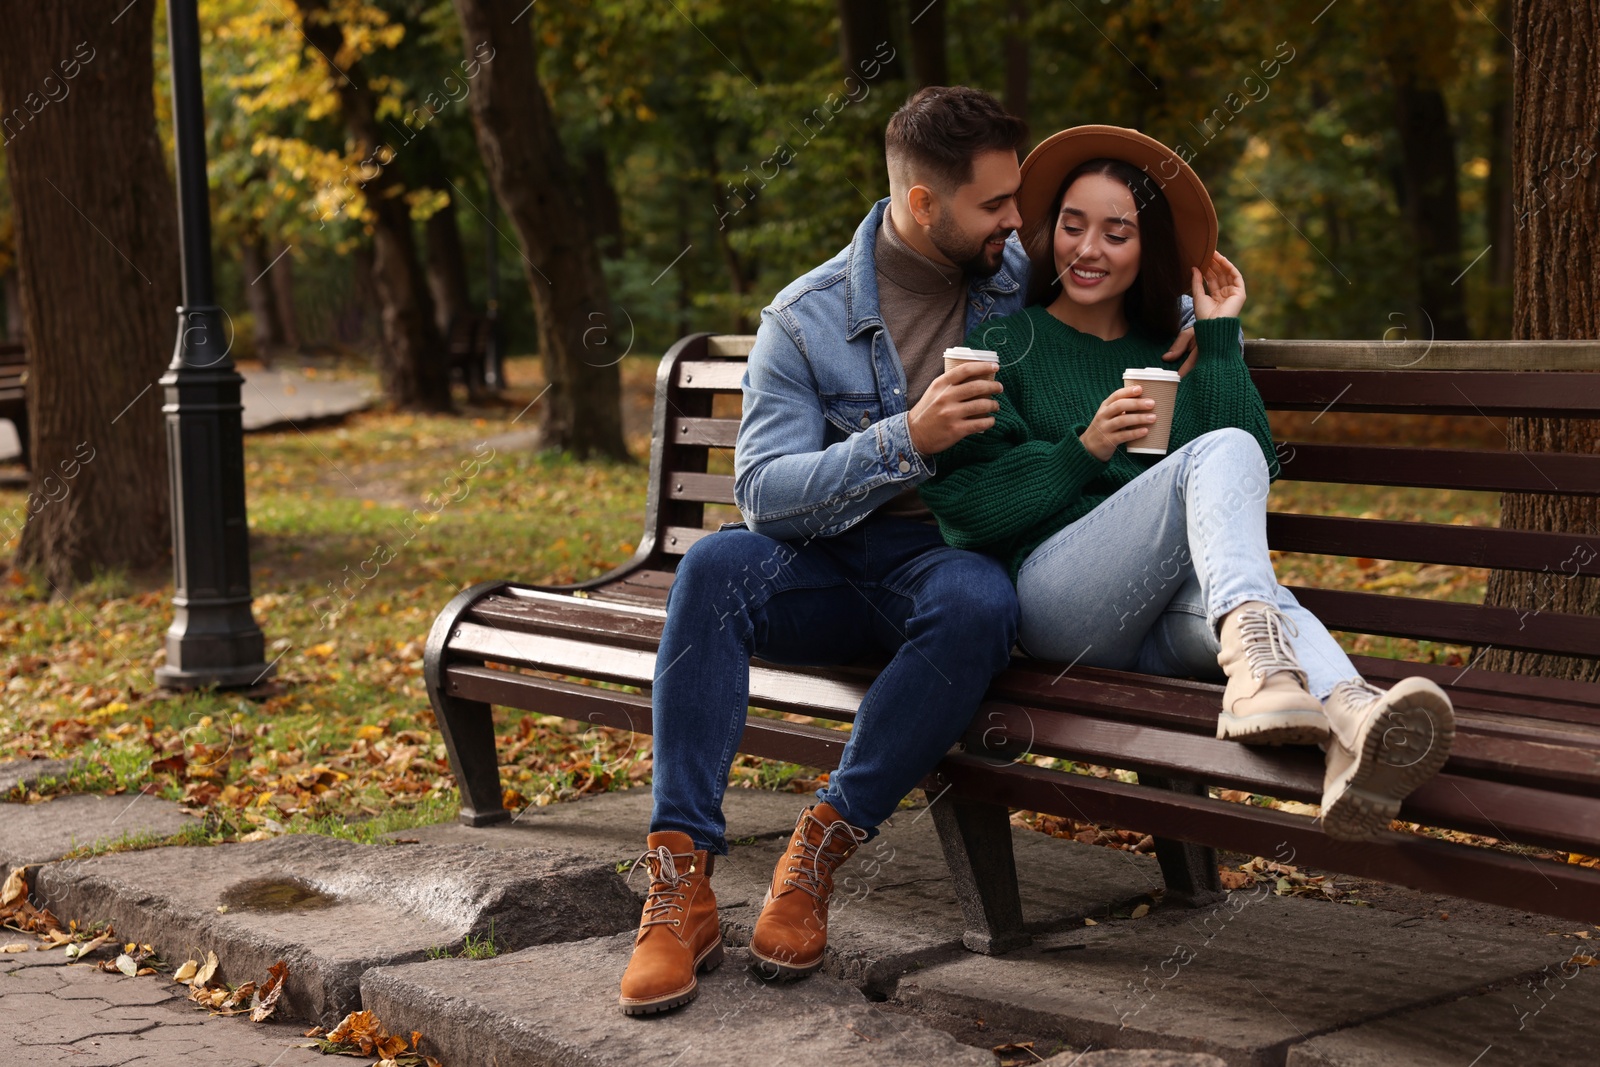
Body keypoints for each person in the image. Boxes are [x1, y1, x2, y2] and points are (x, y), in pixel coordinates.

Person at [618, 92, 1200, 1017]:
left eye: (1019, 201)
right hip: (825, 563)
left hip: (944, 557)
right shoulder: (806, 318)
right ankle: (679, 885)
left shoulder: (1016, 275)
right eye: (996, 203)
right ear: (925, 206)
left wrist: (1201, 317)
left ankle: (818, 849)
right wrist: (907, 437)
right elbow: (763, 491)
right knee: (712, 570)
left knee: (979, 603)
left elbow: (1126, 275)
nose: (1019, 221)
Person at [919, 125, 1457, 848]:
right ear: (1048, 235)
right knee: (1246, 566)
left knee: (1251, 592)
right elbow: (967, 511)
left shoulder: (1166, 353)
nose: (1088, 249)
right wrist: (1086, 448)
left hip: (1164, 621)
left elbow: (1248, 471)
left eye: (1117, 233)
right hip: (1058, 607)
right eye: (1074, 226)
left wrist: (1221, 337)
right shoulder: (1004, 347)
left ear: (1147, 250)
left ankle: (1353, 734)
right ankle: (1281, 673)